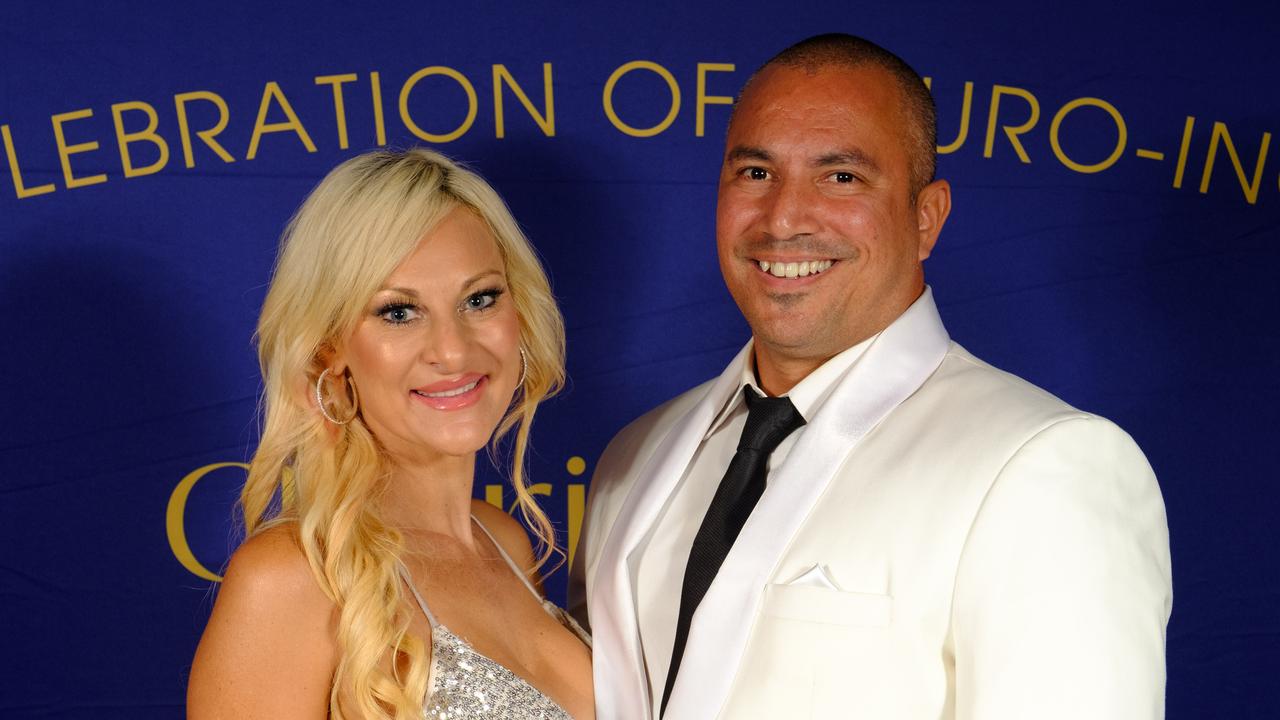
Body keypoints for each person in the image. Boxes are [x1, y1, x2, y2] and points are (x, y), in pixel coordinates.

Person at [569, 33, 1172, 720]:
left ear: (926, 217)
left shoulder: (1044, 462)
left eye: (842, 177)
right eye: (756, 173)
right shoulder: (634, 455)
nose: (784, 219)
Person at [188, 148, 593, 720]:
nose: (452, 350)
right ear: (330, 349)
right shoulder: (293, 578)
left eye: (479, 299)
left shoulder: (503, 539)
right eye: (398, 313)